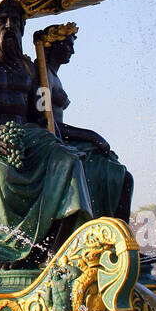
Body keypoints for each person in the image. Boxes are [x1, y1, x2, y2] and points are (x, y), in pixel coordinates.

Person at [0, 0, 92, 270]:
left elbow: (41, 116)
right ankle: (5, 252)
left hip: (24, 133)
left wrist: (57, 143)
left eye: (15, 21)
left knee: (69, 162)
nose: (9, 26)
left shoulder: (29, 67)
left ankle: (54, 250)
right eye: (2, 20)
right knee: (2, 178)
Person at [34, 24, 134, 222]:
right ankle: (105, 226)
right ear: (53, 45)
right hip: (53, 143)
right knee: (119, 176)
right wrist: (91, 136)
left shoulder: (53, 76)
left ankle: (117, 230)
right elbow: (44, 121)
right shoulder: (41, 76)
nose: (72, 50)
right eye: (68, 45)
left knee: (120, 173)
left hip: (63, 139)